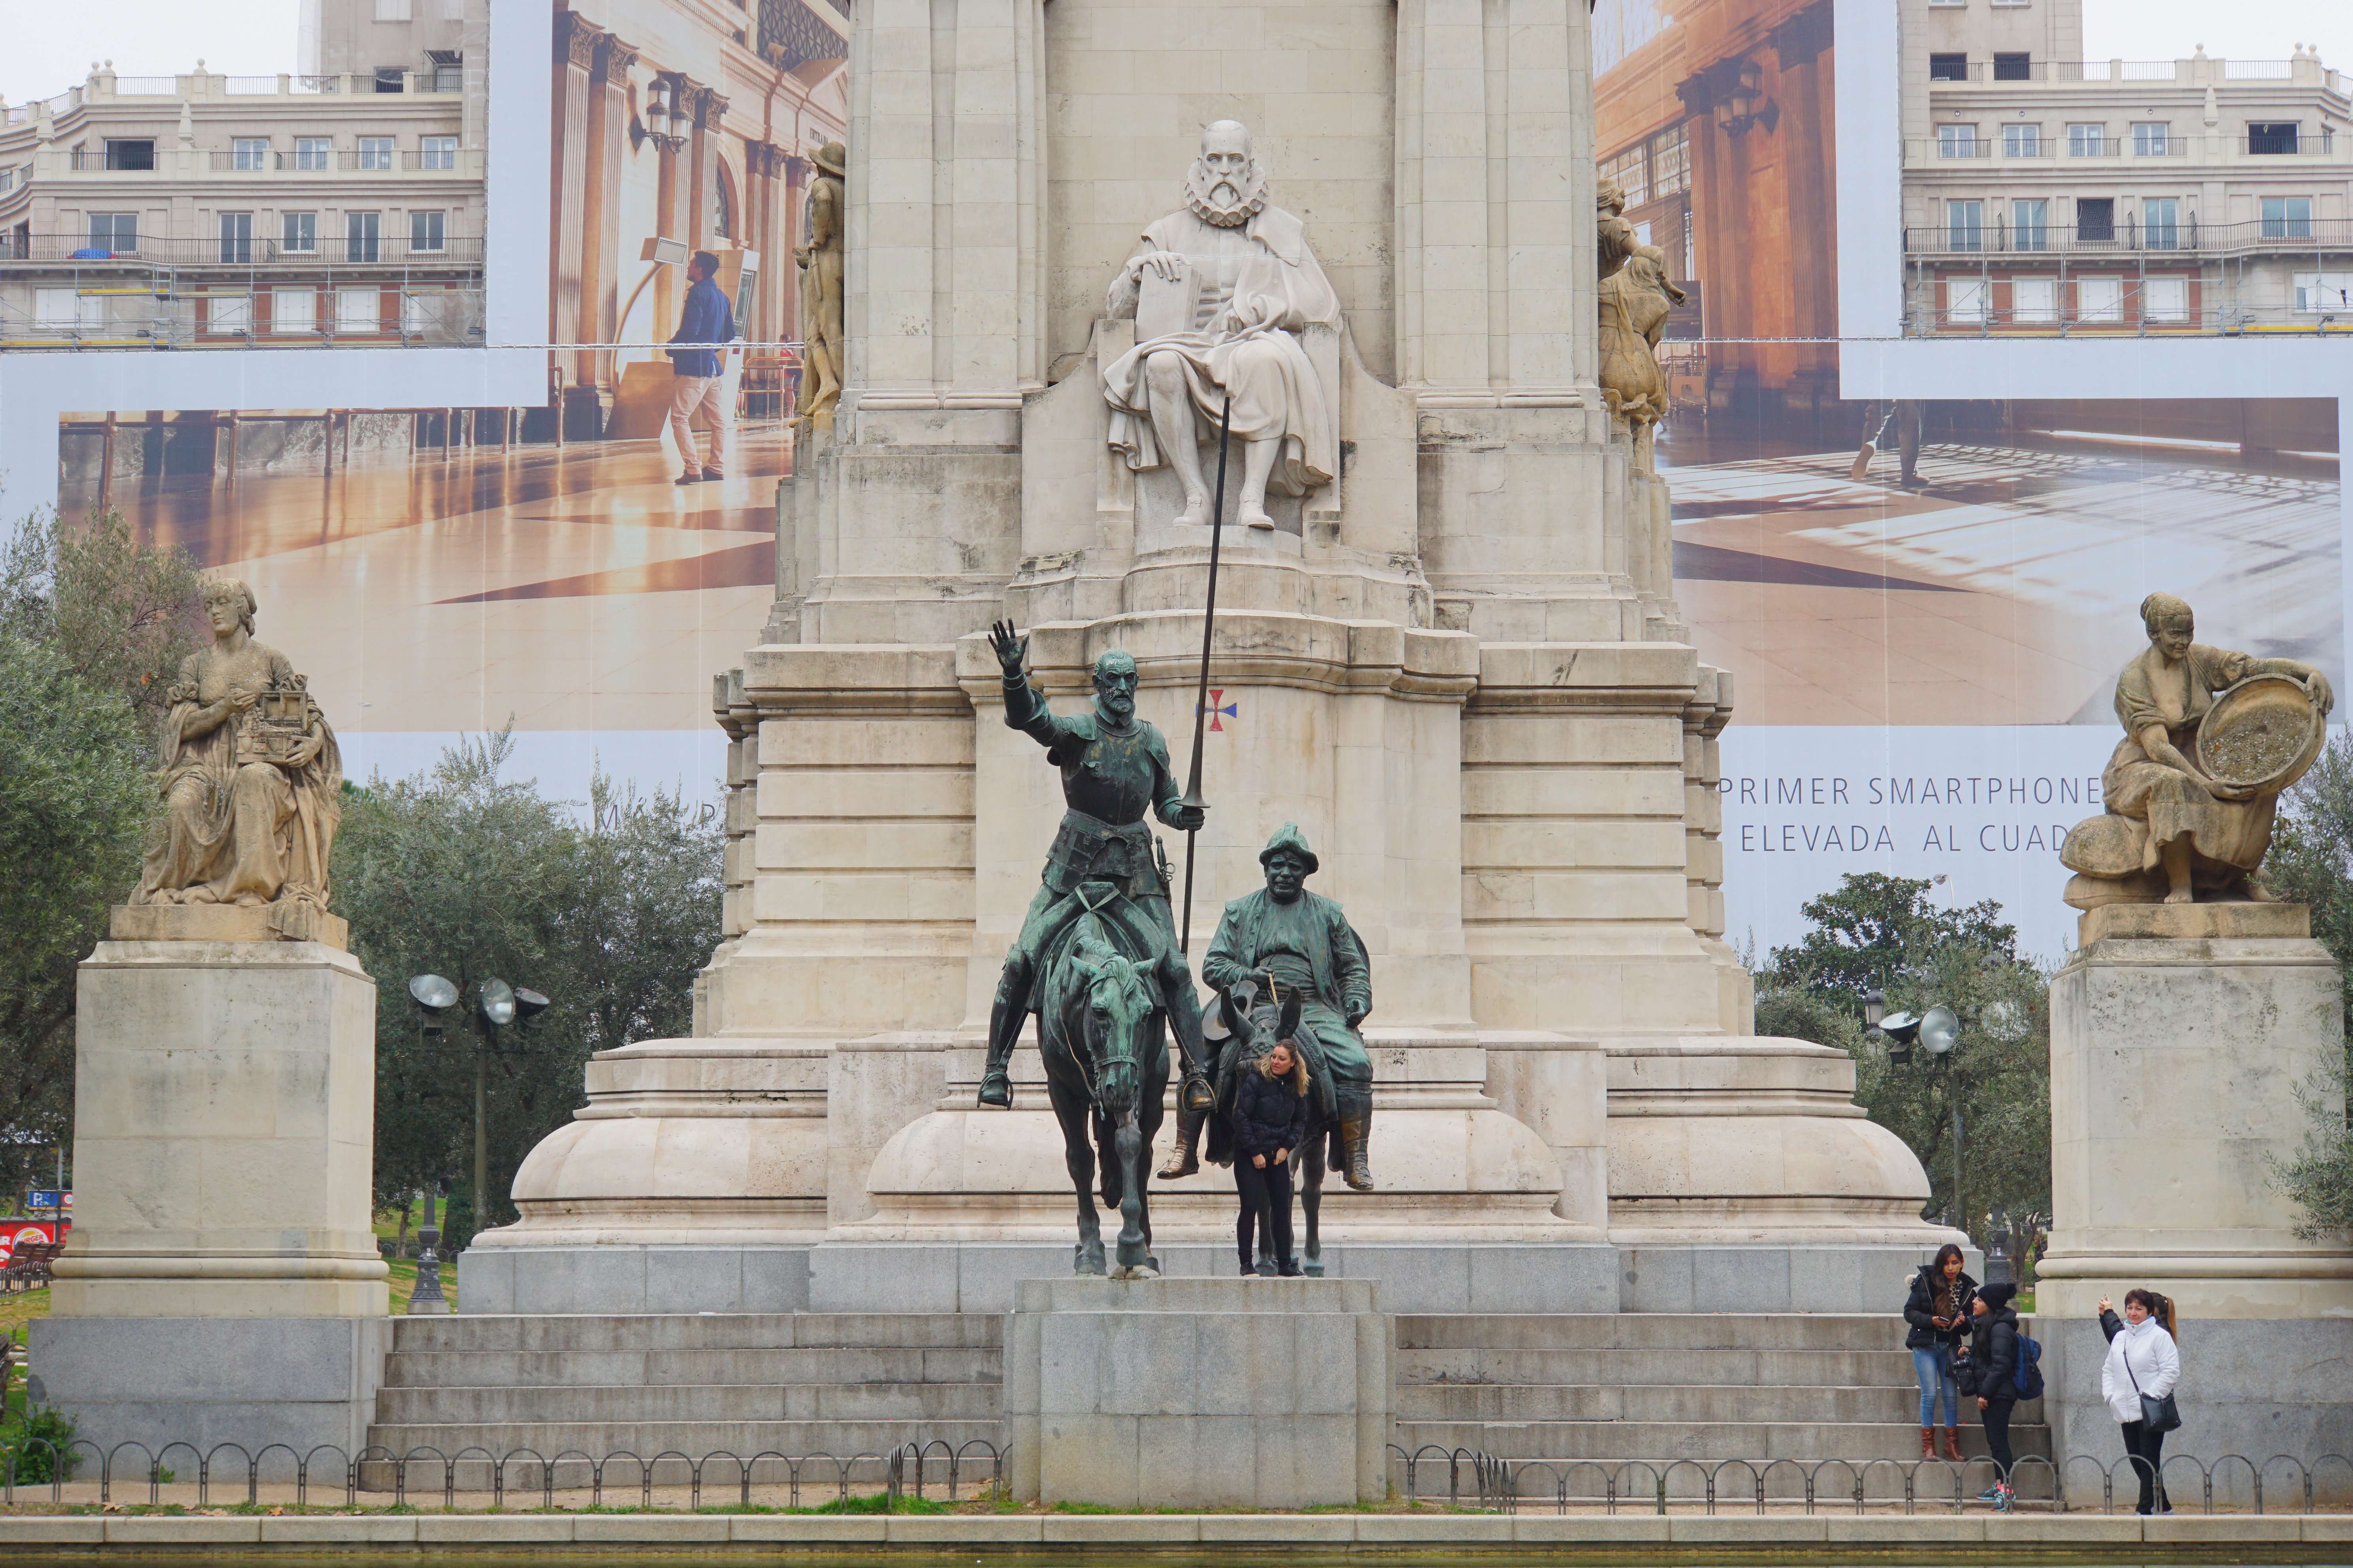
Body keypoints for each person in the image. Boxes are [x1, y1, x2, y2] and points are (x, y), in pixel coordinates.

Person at [973, 623, 1214, 1116]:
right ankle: (995, 1068)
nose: (1121, 689)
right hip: (1073, 872)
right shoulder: (1079, 733)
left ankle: (1195, 1072)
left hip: (1137, 875)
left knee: (1173, 968)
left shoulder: (1152, 741)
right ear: (1098, 686)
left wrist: (1180, 814)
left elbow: (1164, 801)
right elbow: (1031, 719)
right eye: (1112, 681)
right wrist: (1015, 675)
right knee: (1021, 960)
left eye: (1129, 681)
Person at [1178, 823, 1376, 1188]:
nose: (1285, 873)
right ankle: (1185, 1148)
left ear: (1306, 872)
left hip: (1314, 1007)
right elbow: (1213, 965)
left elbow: (1353, 967)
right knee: (1199, 1058)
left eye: (1294, 867)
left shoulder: (1329, 914)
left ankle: (1355, 1157)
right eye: (1278, 866)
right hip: (1251, 1005)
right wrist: (1247, 972)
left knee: (1356, 1063)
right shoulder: (1239, 911)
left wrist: (1356, 998)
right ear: (1266, 869)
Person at [1228, 1038, 1309, 1277]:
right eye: (1274, 1056)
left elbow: (1300, 1121)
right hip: (1249, 1155)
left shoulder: (1298, 1087)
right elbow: (1241, 1117)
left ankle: (1285, 1264)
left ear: (1293, 1063)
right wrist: (1254, 1152)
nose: (1275, 1061)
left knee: (1282, 1210)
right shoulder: (1256, 1080)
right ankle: (1246, 1264)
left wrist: (1287, 1148)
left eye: (1281, 1059)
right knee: (1250, 1207)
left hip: (1277, 1157)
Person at [2099, 1289, 2180, 1515]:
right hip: (2124, 1409)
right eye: (2130, 1308)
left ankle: (2144, 1508)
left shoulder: (2159, 1336)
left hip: (2149, 1409)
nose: (2133, 1313)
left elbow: (2171, 1372)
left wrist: (2149, 1396)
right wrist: (2110, 1397)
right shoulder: (2121, 1337)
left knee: (2148, 1460)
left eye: (2139, 1309)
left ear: (2149, 1312)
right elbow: (2109, 1369)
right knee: (2138, 1460)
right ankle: (2164, 1506)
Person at [666, 249, 736, 485]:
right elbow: (729, 334)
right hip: (713, 368)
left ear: (700, 270)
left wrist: (672, 347)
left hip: (693, 368)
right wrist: (710, 350)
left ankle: (693, 468)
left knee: (679, 418)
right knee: (718, 422)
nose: (689, 268)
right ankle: (716, 467)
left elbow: (690, 330)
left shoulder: (697, 294)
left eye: (692, 264)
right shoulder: (722, 297)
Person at [1903, 1243, 1976, 1462]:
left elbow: (1970, 1325)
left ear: (1962, 1263)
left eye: (1955, 1263)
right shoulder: (1927, 1283)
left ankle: (1951, 1445)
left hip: (1950, 1347)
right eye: (1946, 1264)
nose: (1951, 1268)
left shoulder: (1967, 1289)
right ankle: (1928, 1446)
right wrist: (1931, 1321)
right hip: (1925, 1346)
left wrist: (1964, 1323)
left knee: (1950, 1396)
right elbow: (1909, 1312)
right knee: (1930, 1394)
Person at [1959, 1280, 2023, 1511]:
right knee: (1995, 1442)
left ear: (1991, 1305)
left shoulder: (2001, 1329)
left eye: (1980, 1300)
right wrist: (1969, 1351)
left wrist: (1985, 1393)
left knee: (1999, 1442)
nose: (1974, 1302)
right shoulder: (1988, 1325)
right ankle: (1999, 1486)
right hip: (1993, 1391)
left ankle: (2006, 1491)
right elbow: (1989, 1358)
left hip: (1999, 1393)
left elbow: (2001, 1365)